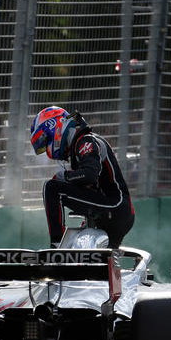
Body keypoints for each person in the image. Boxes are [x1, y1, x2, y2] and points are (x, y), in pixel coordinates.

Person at [30, 106, 134, 249]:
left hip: (114, 207)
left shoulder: (86, 141)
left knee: (51, 188)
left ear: (56, 127)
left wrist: (64, 177)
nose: (48, 147)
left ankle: (56, 246)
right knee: (96, 259)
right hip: (116, 212)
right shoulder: (80, 144)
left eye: (47, 140)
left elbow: (89, 175)